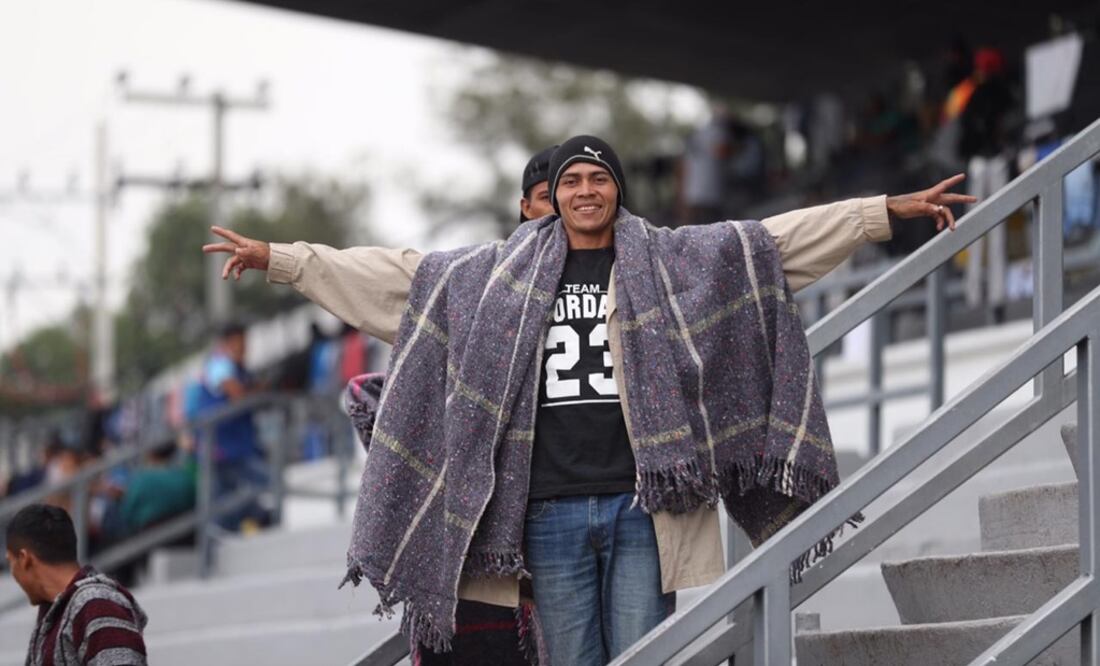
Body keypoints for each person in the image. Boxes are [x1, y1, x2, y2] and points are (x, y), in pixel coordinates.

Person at [205, 137, 972, 665]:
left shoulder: (671, 260)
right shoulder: (490, 276)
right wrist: (282, 259)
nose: (583, 190)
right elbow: (396, 278)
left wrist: (881, 213)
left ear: (616, 192)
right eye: (569, 181)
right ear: (550, 198)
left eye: (597, 178)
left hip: (646, 507)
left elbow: (769, 245)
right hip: (549, 513)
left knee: (646, 655)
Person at [6, 503, 147, 666]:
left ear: (24, 559)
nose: (12, 572)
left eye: (10, 561)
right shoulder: (55, 615)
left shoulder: (98, 603)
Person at [198, 321, 269, 532]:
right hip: (222, 451)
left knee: (230, 506)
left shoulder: (238, 367)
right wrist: (259, 392)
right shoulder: (220, 364)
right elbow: (237, 394)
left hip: (236, 448)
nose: (244, 347)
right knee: (264, 484)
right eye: (240, 342)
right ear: (228, 343)